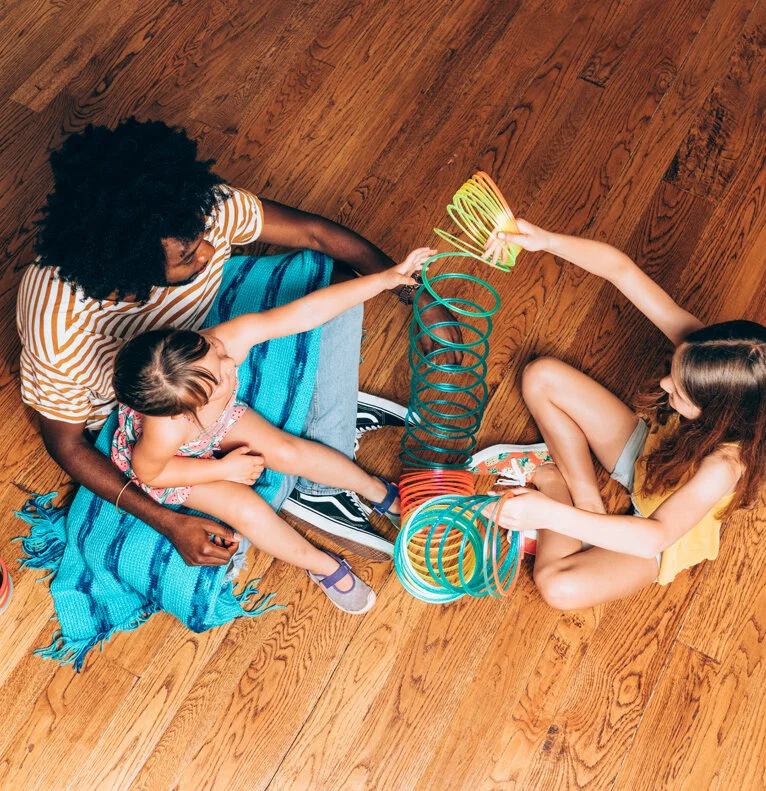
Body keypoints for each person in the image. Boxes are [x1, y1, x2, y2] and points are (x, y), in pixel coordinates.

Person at [16, 119, 458, 566]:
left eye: (202, 238)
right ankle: (320, 482)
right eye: (189, 255)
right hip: (150, 408)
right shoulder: (61, 330)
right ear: (128, 264)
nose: (209, 251)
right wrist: (168, 522)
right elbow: (70, 446)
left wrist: (412, 293)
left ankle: (326, 428)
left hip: (196, 350)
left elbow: (315, 236)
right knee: (247, 509)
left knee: (337, 282)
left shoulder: (193, 217)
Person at [477, 220, 766, 609]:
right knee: (541, 376)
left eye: (679, 391)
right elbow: (620, 270)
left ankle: (553, 482)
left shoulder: (726, 465)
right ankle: (588, 502)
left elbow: (653, 536)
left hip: (656, 533)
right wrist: (545, 241)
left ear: (718, 413)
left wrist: (550, 512)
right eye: (674, 373)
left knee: (558, 588)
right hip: (648, 458)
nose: (664, 385)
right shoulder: (704, 357)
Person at [108, 248, 433, 613]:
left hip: (215, 426)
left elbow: (304, 314)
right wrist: (223, 469)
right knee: (247, 510)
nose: (231, 362)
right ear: (189, 410)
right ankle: (321, 565)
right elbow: (151, 471)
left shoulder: (223, 344)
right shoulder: (165, 431)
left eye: (213, 349)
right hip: (178, 465)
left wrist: (383, 279)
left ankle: (375, 489)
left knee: (288, 451)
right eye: (220, 376)